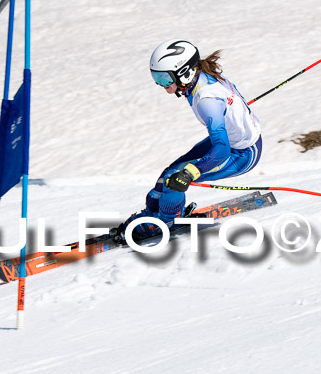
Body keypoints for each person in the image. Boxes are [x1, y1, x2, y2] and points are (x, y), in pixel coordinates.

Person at [112, 39, 262, 243]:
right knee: (169, 173)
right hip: (234, 140)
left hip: (242, 153)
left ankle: (165, 222)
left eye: (165, 79)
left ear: (185, 73)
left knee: (176, 179)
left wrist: (190, 172)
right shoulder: (200, 77)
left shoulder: (206, 101)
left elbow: (222, 149)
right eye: (156, 78)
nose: (161, 85)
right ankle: (153, 213)